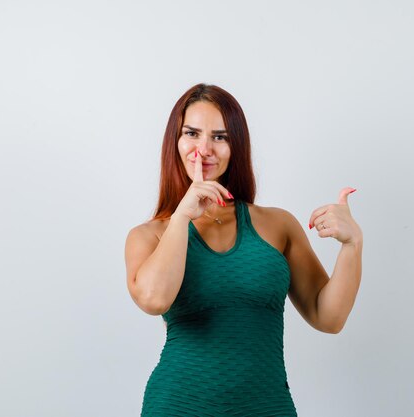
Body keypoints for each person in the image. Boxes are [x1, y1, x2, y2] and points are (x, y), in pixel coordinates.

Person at [124, 83, 363, 416]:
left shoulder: (278, 225)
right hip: (178, 406)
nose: (204, 149)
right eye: (192, 133)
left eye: (220, 137)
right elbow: (153, 299)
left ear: (236, 147)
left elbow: (329, 318)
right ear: (174, 142)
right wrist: (182, 216)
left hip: (267, 407)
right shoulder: (148, 236)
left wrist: (352, 245)